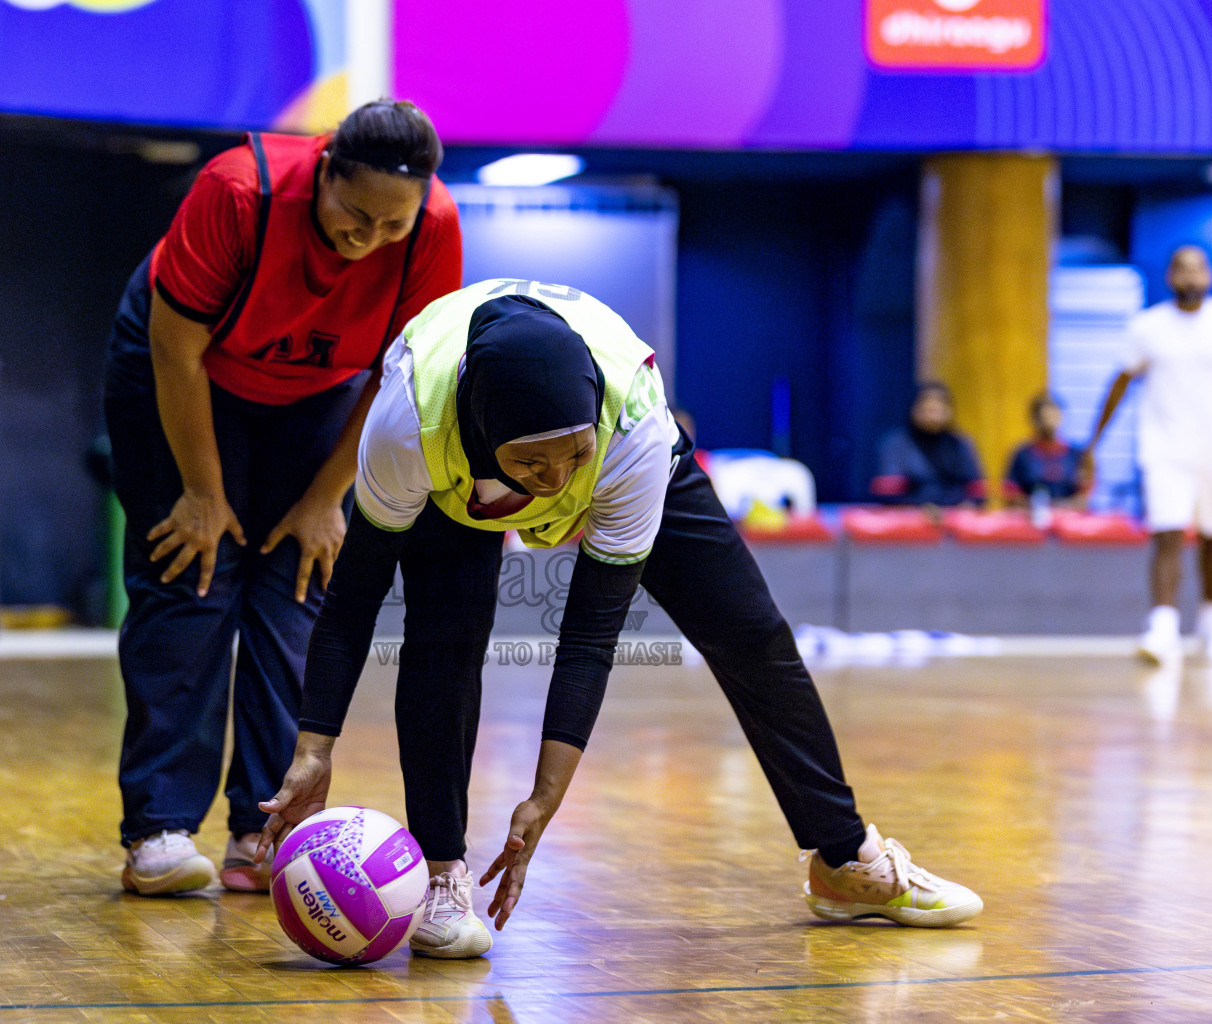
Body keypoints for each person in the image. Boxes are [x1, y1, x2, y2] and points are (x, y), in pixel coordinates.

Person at [254, 279, 982, 959]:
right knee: (443, 647)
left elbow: (591, 633)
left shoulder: (630, 428)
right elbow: (353, 599)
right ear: (483, 437)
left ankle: (844, 862)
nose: (556, 482)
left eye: (571, 456)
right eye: (533, 464)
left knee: (750, 634)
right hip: (453, 479)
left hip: (626, 450)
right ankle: (442, 873)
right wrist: (315, 746)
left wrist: (544, 796)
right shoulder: (410, 424)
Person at [100, 100, 462, 895]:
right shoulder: (239, 193)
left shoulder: (433, 225)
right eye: (352, 213)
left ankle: (264, 829)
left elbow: (399, 378)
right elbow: (175, 350)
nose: (367, 238)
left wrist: (328, 497)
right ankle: (159, 828)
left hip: (317, 393)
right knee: (190, 574)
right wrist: (200, 490)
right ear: (323, 172)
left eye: (389, 226)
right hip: (188, 373)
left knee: (300, 582)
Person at [1085, 245, 1212, 664]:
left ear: (1209, 275)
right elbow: (1118, 385)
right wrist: (1094, 443)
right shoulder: (1148, 326)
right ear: (1170, 276)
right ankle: (1163, 626)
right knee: (1167, 533)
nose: (1190, 277)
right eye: (1181, 270)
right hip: (1164, 445)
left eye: (1198, 269)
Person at [870, 382, 986, 508]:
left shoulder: (959, 444)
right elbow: (889, 491)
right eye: (928, 409)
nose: (933, 416)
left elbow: (977, 489)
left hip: (956, 516)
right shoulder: (897, 444)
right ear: (914, 410)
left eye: (939, 409)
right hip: (910, 516)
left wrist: (968, 506)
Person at [1003, 392, 1091, 511]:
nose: (1050, 423)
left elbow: (1083, 497)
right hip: (1031, 518)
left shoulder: (1076, 455)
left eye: (1054, 416)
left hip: (1068, 519)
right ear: (1035, 420)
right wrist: (1038, 508)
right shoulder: (1022, 455)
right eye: (1045, 418)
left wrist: (1061, 507)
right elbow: (1011, 495)